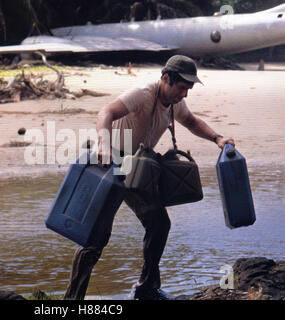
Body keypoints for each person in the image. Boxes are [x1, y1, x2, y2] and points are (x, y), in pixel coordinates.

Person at [64, 55, 235, 300]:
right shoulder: (144, 92)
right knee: (95, 239)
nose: (185, 94)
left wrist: (217, 138)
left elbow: (191, 121)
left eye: (189, 89)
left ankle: (146, 288)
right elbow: (106, 111)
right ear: (166, 79)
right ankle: (72, 300)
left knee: (159, 224)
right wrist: (103, 144)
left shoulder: (174, 102)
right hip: (111, 165)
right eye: (182, 87)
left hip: (139, 170)